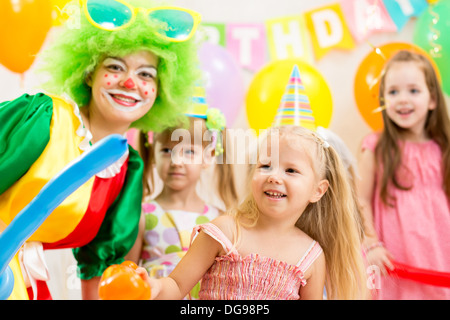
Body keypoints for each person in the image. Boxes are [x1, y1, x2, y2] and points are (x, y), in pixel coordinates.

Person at [0, 0, 201, 300]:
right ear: (90, 73)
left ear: (160, 90)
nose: (130, 81)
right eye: (115, 67)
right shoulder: (43, 117)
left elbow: (98, 273)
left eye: (146, 74)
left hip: (25, 283)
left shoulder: (126, 169)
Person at [136, 125, 368, 300]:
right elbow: (176, 286)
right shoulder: (225, 230)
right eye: (265, 165)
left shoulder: (311, 256)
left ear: (318, 190)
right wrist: (155, 287)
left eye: (291, 170)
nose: (274, 176)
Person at [357, 50, 450, 299]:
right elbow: (360, 200)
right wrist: (370, 243)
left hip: (440, 260)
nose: (402, 99)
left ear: (432, 100)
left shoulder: (444, 148)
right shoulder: (375, 147)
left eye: (413, 90)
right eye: (393, 92)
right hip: (395, 264)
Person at [126, 92, 238, 299]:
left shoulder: (219, 220)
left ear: (207, 157)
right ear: (153, 154)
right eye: (167, 150)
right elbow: (128, 274)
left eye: (189, 152)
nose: (177, 161)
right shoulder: (142, 215)